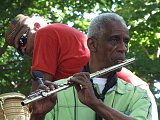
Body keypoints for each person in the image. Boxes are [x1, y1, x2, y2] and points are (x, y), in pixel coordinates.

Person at [28, 13, 158, 120]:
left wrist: (95, 103)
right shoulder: (57, 94)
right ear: (92, 44)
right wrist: (37, 115)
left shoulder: (139, 95)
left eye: (126, 41)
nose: (123, 48)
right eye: (114, 40)